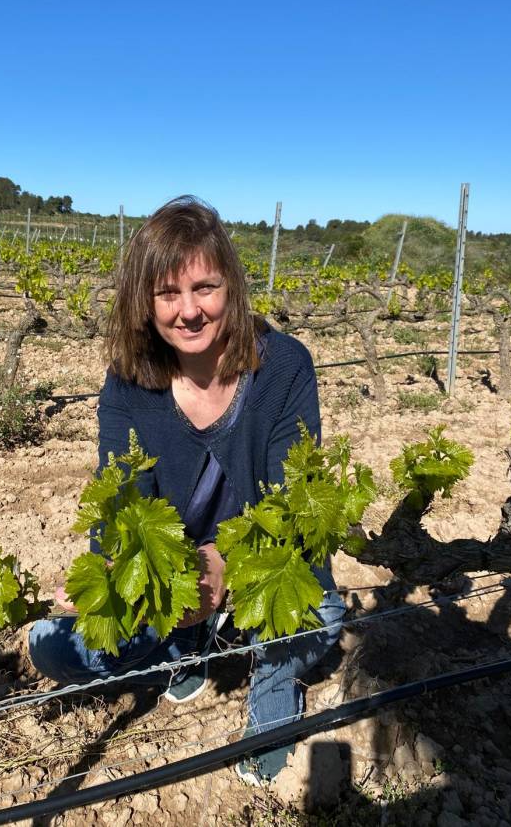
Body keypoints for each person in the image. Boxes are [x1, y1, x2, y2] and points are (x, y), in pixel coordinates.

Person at [29, 195, 344, 783]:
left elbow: (291, 498)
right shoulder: (129, 383)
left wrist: (224, 563)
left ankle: (273, 694)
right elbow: (120, 495)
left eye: (205, 287)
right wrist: (113, 573)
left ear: (232, 286)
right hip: (172, 565)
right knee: (53, 646)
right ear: (144, 303)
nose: (189, 311)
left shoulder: (283, 367)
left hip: (260, 554)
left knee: (323, 617)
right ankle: (188, 639)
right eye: (168, 293)